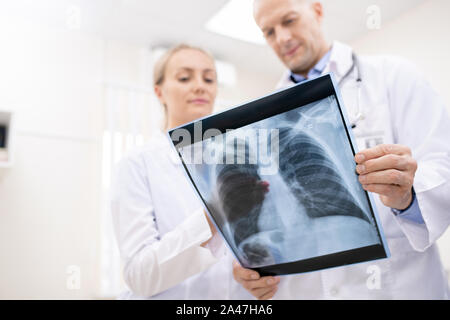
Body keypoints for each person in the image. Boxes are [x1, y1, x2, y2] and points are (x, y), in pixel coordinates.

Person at [232, 0, 450, 299]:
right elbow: (276, 210)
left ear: (318, 11)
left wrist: (408, 195)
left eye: (289, 20)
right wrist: (257, 267)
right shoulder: (263, 117)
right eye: (268, 32)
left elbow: (443, 163)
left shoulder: (392, 76)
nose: (281, 38)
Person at [111, 44, 233, 299]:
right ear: (159, 92)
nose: (200, 86)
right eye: (184, 78)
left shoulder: (232, 164)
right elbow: (138, 276)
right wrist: (211, 218)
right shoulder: (136, 164)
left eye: (208, 78)